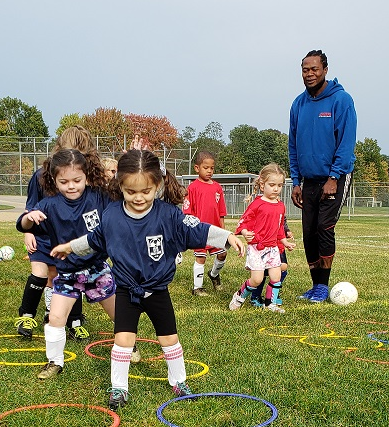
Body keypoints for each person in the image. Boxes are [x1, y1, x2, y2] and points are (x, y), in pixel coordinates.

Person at [51, 150, 245, 410]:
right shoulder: (111, 216)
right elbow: (94, 240)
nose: (139, 197)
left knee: (169, 340)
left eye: (146, 191)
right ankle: (119, 388)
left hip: (157, 291)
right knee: (123, 341)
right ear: (121, 186)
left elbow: (198, 228)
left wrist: (227, 236)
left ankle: (178, 381)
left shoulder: (168, 215)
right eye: (131, 192)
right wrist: (70, 247)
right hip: (126, 291)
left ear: (158, 186)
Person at [17, 149, 116, 380]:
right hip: (67, 273)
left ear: (87, 177)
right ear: (54, 181)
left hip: (97, 270)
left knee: (118, 315)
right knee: (55, 319)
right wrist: (28, 218)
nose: (71, 186)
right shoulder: (48, 206)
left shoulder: (98, 196)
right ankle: (54, 362)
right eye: (64, 181)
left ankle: (129, 346)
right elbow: (22, 225)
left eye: (76, 180)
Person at [289, 49, 357, 303]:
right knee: (308, 232)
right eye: (305, 70)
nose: (309, 74)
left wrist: (334, 176)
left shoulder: (341, 100)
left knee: (324, 228)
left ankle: (322, 286)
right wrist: (296, 181)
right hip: (308, 180)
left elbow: (346, 142)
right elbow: (293, 145)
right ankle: (316, 286)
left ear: (325, 70)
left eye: (314, 69)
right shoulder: (298, 104)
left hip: (334, 178)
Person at [15, 126, 91, 341]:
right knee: (40, 274)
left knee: (71, 275)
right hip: (42, 236)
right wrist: (28, 232)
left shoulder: (85, 179)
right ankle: (27, 316)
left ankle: (74, 320)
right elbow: (30, 208)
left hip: (68, 239)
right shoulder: (41, 176)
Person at [229, 163, 296, 313]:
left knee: (276, 276)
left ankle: (270, 303)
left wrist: (285, 242)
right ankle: (239, 296)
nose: (276, 189)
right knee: (257, 280)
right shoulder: (257, 204)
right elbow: (243, 221)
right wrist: (245, 232)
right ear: (262, 184)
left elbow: (279, 228)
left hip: (273, 248)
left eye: (279, 185)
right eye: (272, 185)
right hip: (257, 248)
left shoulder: (280, 206)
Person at [182, 150, 228, 296]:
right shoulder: (192, 188)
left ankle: (214, 274)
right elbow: (187, 212)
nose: (209, 171)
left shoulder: (217, 188)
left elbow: (221, 212)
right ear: (197, 168)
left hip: (215, 230)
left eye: (212, 168)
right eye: (205, 168)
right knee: (200, 257)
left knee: (222, 254)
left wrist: (223, 230)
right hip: (199, 231)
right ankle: (197, 288)